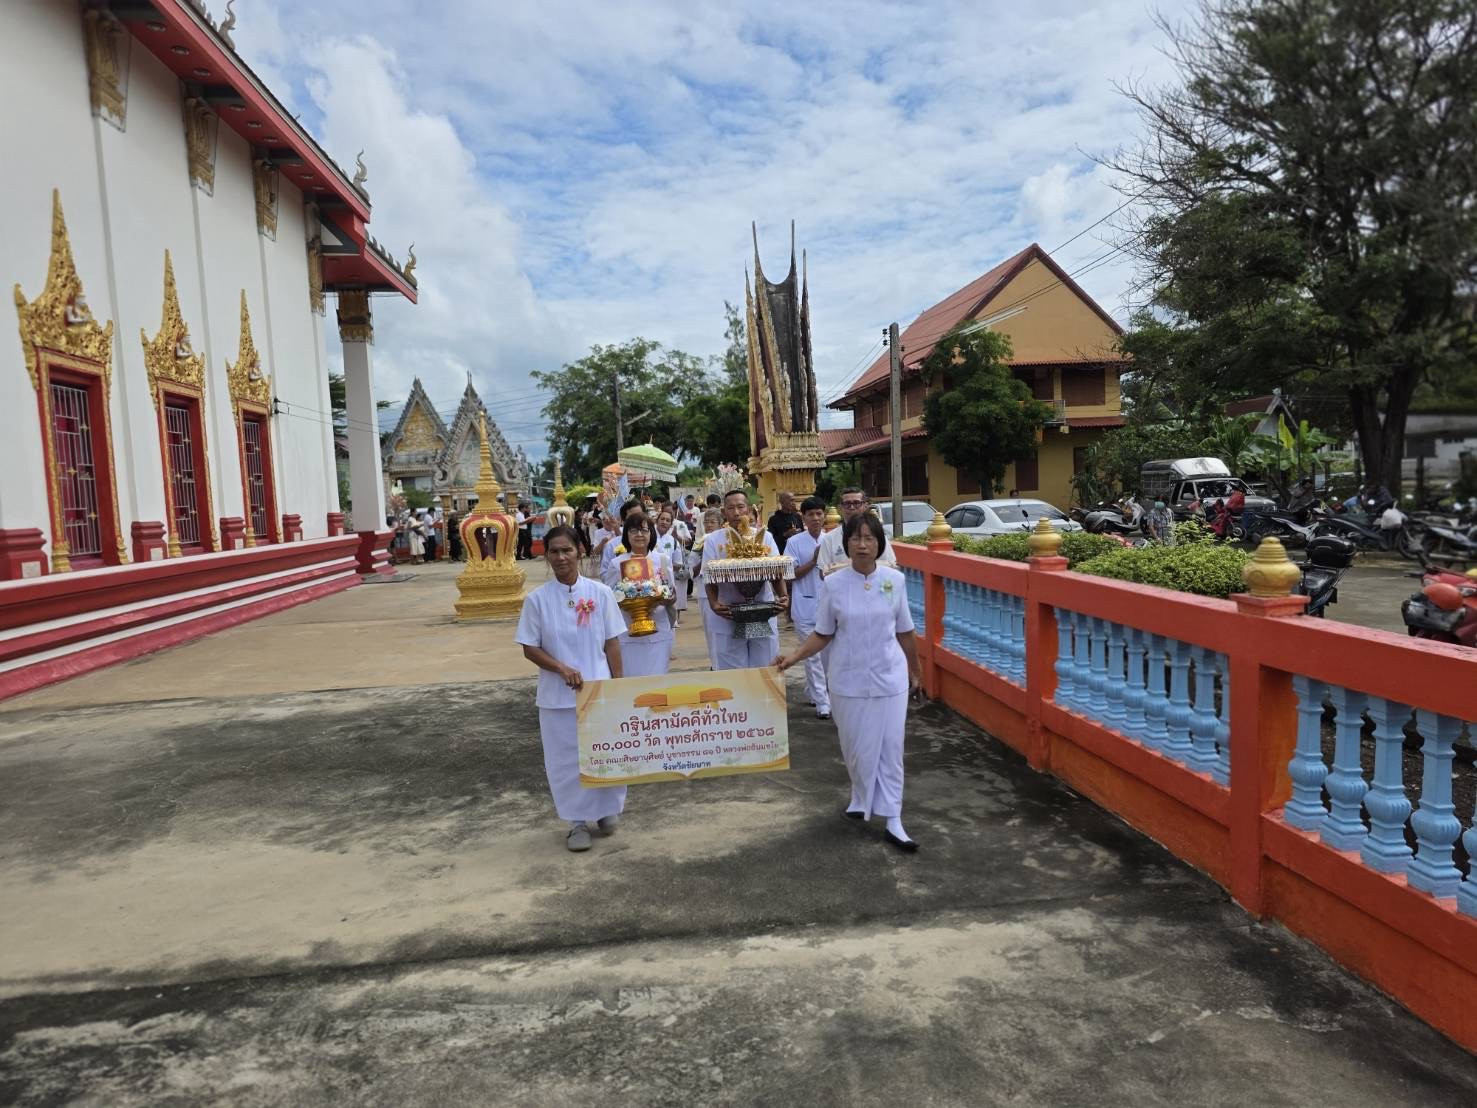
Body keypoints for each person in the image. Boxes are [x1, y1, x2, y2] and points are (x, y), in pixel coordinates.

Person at [776, 511, 923, 852]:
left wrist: (915, 671)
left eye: (869, 538)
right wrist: (793, 657)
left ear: (879, 543)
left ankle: (894, 819)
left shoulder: (895, 580)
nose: (862, 545)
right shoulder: (833, 584)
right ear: (846, 544)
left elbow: (906, 631)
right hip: (848, 681)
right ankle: (860, 795)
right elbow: (823, 633)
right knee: (856, 748)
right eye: (856, 538)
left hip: (890, 678)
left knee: (890, 749)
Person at [515, 526, 627, 852]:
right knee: (565, 761)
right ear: (547, 556)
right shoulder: (537, 600)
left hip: (598, 691)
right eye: (554, 551)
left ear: (580, 551)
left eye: (567, 550)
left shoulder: (601, 593)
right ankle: (576, 822)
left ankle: (605, 810)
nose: (561, 557)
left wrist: (619, 687)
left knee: (604, 754)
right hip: (557, 698)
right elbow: (529, 648)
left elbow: (612, 643)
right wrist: (561, 668)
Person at [702, 489, 789, 669]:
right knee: (731, 671)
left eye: (740, 507)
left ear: (748, 509)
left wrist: (784, 596)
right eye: (730, 508)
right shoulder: (713, 540)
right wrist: (714, 603)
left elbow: (776, 571)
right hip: (728, 612)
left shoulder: (764, 536)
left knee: (765, 667)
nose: (736, 512)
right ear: (724, 512)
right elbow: (708, 576)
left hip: (763, 610)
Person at [608, 514, 678, 676]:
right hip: (627, 631)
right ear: (626, 535)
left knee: (657, 679)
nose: (639, 535)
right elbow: (610, 598)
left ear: (651, 533)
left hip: (658, 629)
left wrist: (663, 598)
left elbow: (672, 591)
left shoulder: (662, 560)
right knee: (632, 678)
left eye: (644, 530)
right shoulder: (616, 564)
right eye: (634, 531)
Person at [784, 497, 830, 720]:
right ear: (803, 517)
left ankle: (813, 691)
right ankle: (823, 702)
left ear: (824, 516)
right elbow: (789, 575)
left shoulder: (831, 540)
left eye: (819, 513)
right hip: (804, 606)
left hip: (828, 606)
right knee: (812, 656)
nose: (815, 518)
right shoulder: (794, 543)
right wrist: (813, 561)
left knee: (827, 657)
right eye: (810, 514)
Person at [819, 487, 896, 576]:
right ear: (840, 508)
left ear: (865, 506)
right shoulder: (829, 538)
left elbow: (891, 565)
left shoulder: (877, 534)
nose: (852, 507)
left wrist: (844, 566)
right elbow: (823, 573)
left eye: (856, 503)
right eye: (847, 503)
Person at [654, 508, 690, 628]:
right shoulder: (649, 537)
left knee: (667, 613)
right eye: (662, 519)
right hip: (650, 581)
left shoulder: (673, 541)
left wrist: (665, 567)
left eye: (667, 520)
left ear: (671, 524)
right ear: (657, 521)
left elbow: (678, 563)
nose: (664, 522)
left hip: (667, 582)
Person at [767, 490, 803, 554]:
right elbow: (770, 540)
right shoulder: (773, 519)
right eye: (791, 500)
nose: (794, 503)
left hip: (797, 551)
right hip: (782, 552)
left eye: (794, 500)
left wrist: (799, 533)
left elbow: (803, 534)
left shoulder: (797, 516)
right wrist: (785, 535)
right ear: (782, 502)